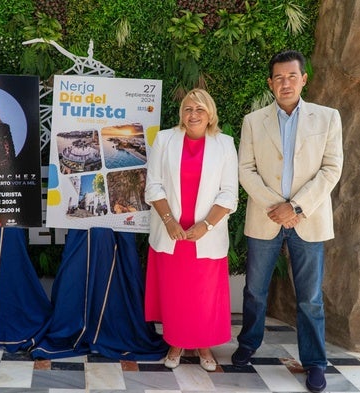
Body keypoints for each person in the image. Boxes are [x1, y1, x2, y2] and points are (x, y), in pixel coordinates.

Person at [232, 50, 343, 393]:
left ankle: (314, 362)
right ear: (270, 83)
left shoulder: (327, 118)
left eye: (292, 76)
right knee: (254, 290)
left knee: (309, 296)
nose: (285, 83)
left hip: (307, 218)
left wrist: (295, 207)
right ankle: (248, 343)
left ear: (303, 79)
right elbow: (245, 169)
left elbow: (331, 169)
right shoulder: (254, 120)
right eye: (278, 78)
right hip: (266, 217)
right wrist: (276, 206)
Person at [144, 88, 239, 372]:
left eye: (200, 109)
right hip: (172, 234)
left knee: (204, 295)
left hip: (205, 236)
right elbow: (154, 185)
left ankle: (204, 346)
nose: (193, 114)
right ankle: (175, 343)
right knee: (176, 295)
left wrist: (206, 225)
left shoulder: (225, 144)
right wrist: (170, 221)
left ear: (210, 114)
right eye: (188, 109)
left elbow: (229, 193)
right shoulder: (165, 139)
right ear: (181, 114)